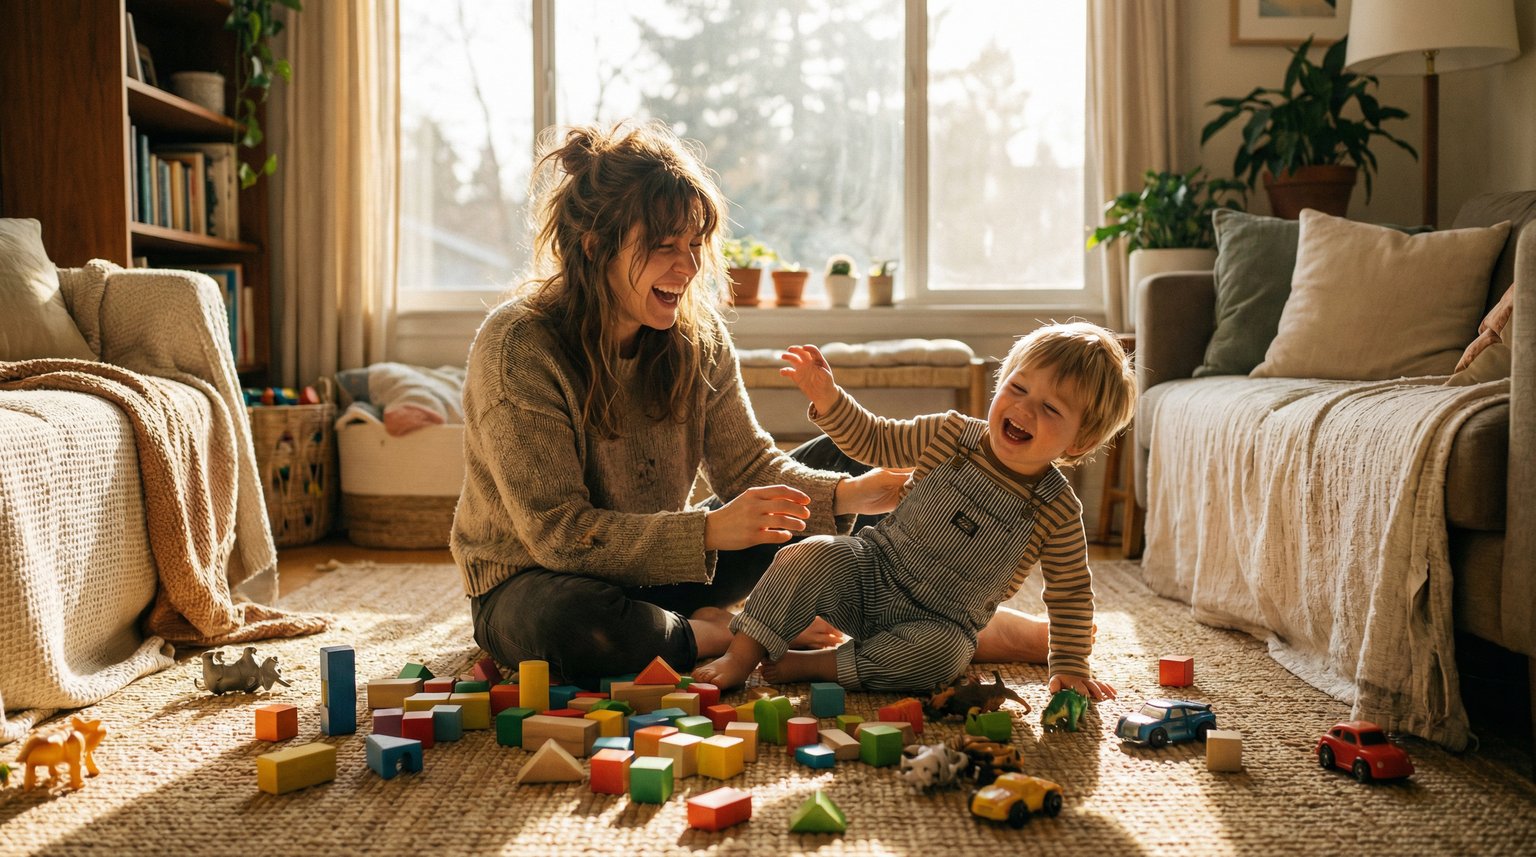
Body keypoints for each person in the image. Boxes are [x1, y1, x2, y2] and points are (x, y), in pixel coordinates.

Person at [451, 119, 1061, 689]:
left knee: (852, 468)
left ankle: (958, 629)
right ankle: (714, 633)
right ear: (593, 247)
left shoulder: (697, 338)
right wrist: (713, 528)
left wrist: (847, 495)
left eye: (695, 244)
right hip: (536, 583)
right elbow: (558, 535)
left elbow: (748, 469)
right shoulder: (519, 347)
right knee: (575, 627)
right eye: (665, 245)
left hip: (667, 572)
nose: (688, 266)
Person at [692, 322, 1135, 700]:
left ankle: (822, 665)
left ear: (1079, 442)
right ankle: (742, 651)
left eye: (1051, 408)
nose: (1023, 408)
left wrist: (1072, 665)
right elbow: (875, 439)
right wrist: (829, 399)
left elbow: (1071, 591)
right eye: (1017, 388)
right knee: (808, 554)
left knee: (943, 659)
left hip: (939, 622)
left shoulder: (1056, 509)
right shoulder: (951, 433)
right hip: (870, 572)